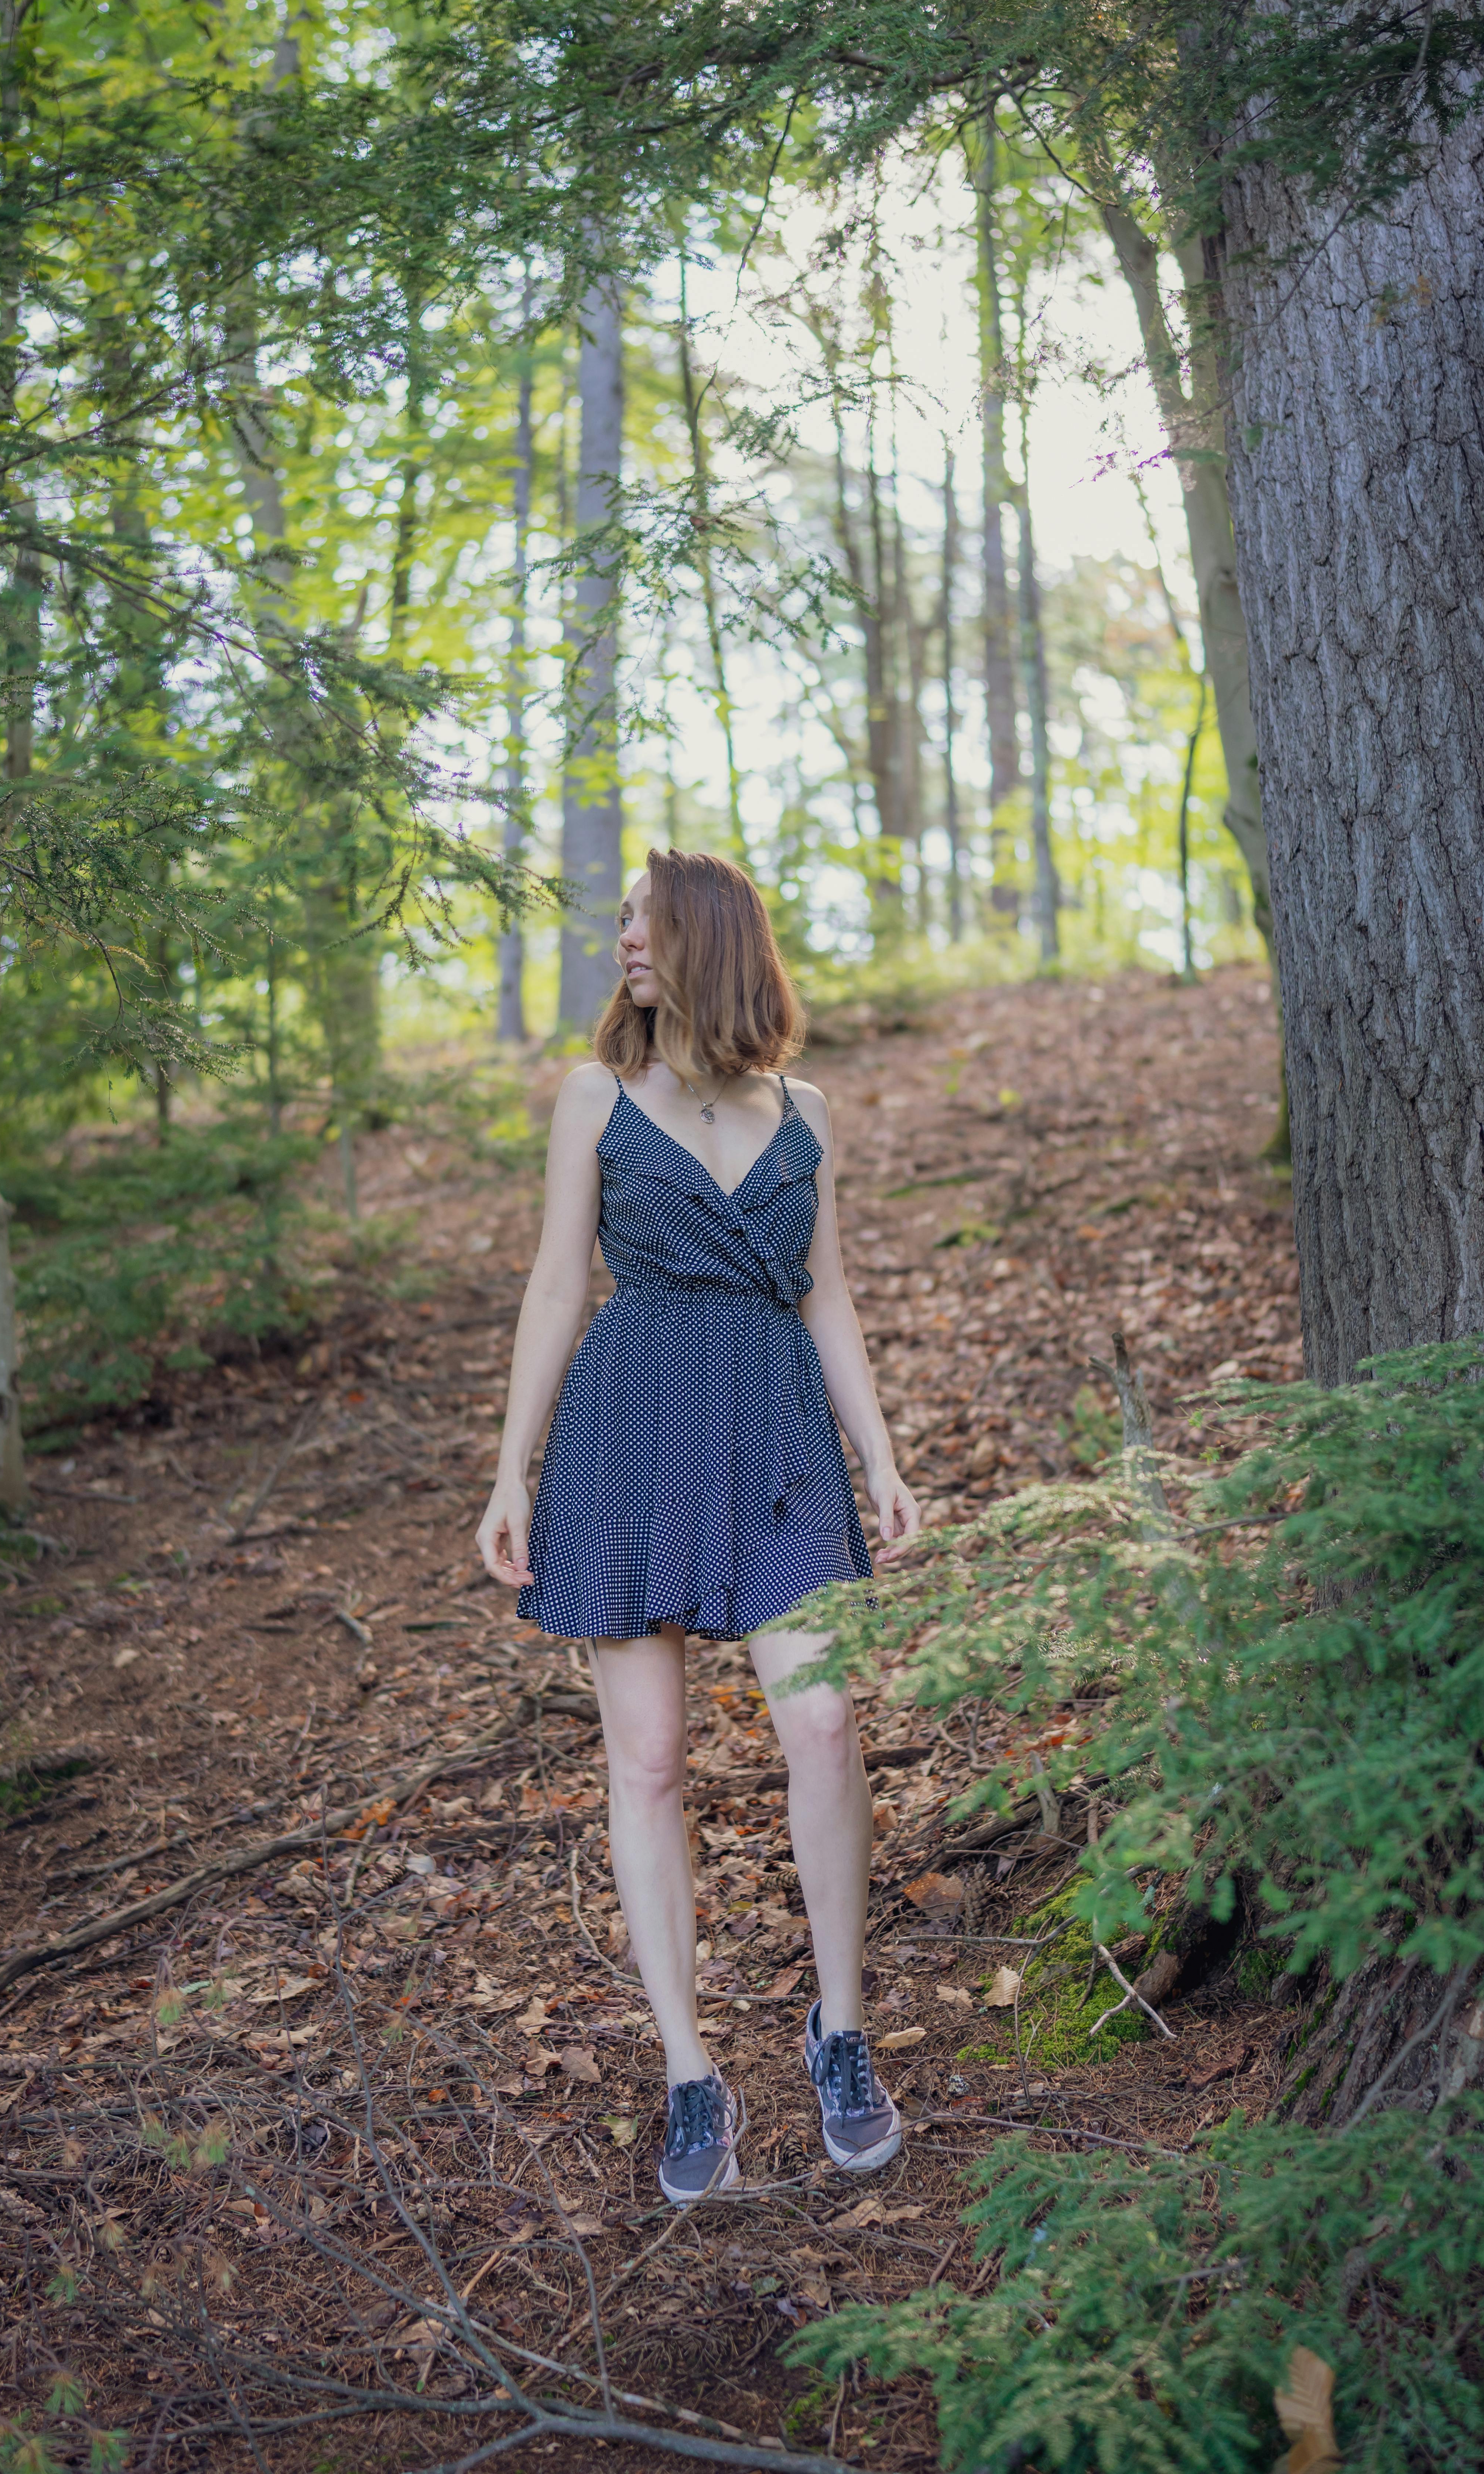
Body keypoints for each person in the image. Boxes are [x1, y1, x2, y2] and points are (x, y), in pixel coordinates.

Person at [475, 850, 920, 2204]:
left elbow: (827, 1299)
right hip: (626, 1430)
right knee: (651, 1761)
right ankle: (689, 2071)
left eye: (648, 922)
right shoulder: (595, 1100)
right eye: (619, 923)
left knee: (825, 1724)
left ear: (714, 941)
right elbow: (557, 1290)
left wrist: (885, 1458)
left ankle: (839, 2031)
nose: (625, 942)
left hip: (775, 1430)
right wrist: (509, 1472)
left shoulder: (807, 1112)